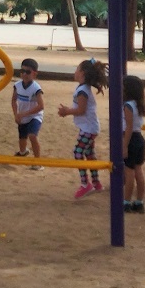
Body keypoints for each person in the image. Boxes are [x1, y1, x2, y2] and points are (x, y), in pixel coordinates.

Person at [58, 57, 106, 198]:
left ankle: (86, 184)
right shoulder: (82, 89)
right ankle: (96, 183)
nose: (75, 72)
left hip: (89, 128)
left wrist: (67, 111)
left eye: (77, 69)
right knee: (89, 154)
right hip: (88, 127)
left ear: (83, 73)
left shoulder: (83, 91)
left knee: (78, 152)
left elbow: (81, 110)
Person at [120, 74, 145, 213]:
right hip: (139, 139)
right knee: (138, 171)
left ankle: (126, 201)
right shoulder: (139, 104)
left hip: (130, 138)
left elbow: (129, 127)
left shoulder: (127, 106)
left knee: (129, 172)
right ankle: (139, 201)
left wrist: (124, 145)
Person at [11, 58, 45, 158]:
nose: (24, 74)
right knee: (22, 138)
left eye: (28, 72)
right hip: (22, 116)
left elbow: (41, 106)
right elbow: (13, 100)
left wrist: (23, 114)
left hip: (35, 116)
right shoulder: (17, 86)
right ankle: (23, 152)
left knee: (32, 136)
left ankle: (37, 161)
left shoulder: (36, 88)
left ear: (34, 74)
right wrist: (16, 114)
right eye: (22, 71)